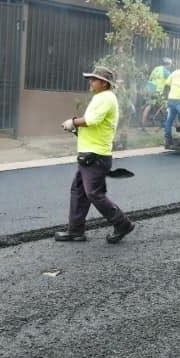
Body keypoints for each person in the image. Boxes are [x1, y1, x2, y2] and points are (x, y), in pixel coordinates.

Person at [55, 66, 135, 244]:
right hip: (89, 153)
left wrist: (73, 122)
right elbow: (95, 125)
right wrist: (76, 128)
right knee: (79, 191)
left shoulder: (106, 98)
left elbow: (92, 121)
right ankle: (75, 231)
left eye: (94, 79)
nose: (90, 82)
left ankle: (122, 223)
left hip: (96, 155)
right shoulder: (101, 97)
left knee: (93, 193)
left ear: (104, 83)